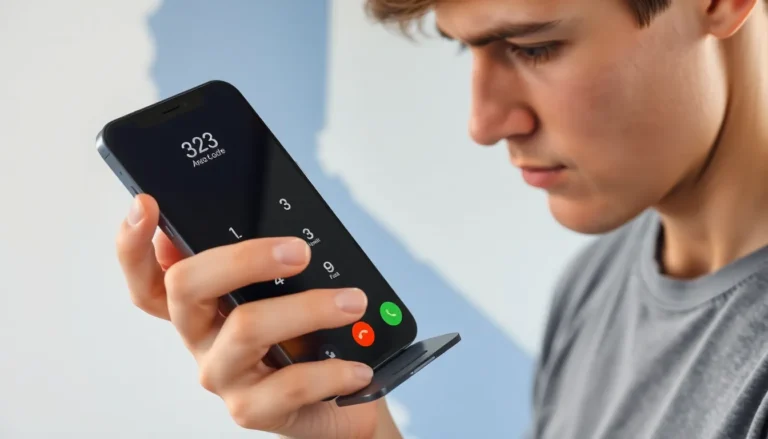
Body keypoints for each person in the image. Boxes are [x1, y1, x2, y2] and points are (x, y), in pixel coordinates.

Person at [113, 0, 768, 437]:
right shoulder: (597, 285)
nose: (483, 124)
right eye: (465, 50)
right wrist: (358, 433)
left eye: (536, 47)